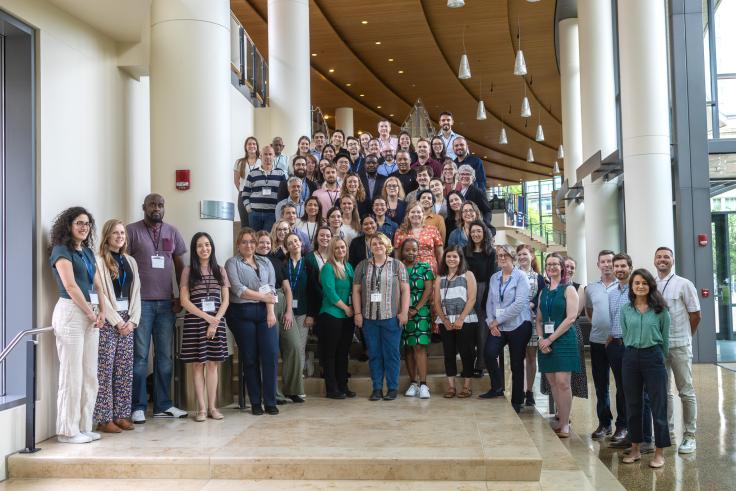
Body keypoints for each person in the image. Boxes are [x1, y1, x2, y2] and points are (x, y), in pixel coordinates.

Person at [127, 194, 187, 423]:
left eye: (160, 205)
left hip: (166, 304)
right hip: (141, 304)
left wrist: (180, 297)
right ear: (144, 207)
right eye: (152, 204)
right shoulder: (131, 231)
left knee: (165, 357)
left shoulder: (172, 232)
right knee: (140, 357)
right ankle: (138, 406)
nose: (157, 208)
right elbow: (122, 265)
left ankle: (163, 405)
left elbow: (181, 267)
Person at [50, 207, 106, 443]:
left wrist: (102, 310)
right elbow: (71, 287)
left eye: (87, 223)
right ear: (69, 226)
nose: (84, 227)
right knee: (71, 375)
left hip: (91, 315)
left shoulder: (89, 252)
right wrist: (90, 313)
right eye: (79, 223)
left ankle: (84, 425)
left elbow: (98, 284)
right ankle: (67, 431)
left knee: (90, 375)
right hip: (71, 314)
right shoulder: (61, 251)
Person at [224, 228, 280, 415]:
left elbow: (271, 288)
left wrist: (270, 311)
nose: (248, 245)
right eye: (244, 242)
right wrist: (264, 299)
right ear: (238, 245)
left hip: (266, 313)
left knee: (271, 355)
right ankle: (255, 402)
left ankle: (270, 401)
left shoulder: (265, 262)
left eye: (251, 242)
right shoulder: (232, 263)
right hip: (242, 313)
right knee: (249, 357)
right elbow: (239, 290)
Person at [620, 268, 672, 468]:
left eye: (644, 283)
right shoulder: (626, 309)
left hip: (654, 356)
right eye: (636, 283)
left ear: (650, 285)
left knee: (658, 405)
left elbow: (665, 339)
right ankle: (635, 449)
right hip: (631, 357)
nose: (640, 286)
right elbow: (625, 335)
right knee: (633, 405)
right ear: (632, 287)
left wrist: (659, 358)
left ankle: (659, 452)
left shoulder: (660, 310)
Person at [93, 219, 140, 433]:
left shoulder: (130, 261)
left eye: (122, 233)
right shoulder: (99, 261)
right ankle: (104, 418)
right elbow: (100, 294)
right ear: (107, 236)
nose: (120, 236)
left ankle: (121, 414)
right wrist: (117, 321)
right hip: (108, 320)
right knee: (106, 369)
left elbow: (137, 293)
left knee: (124, 370)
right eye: (115, 233)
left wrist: (132, 321)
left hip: (127, 321)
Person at [654, 246, 701, 454]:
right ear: (654, 261)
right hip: (658, 346)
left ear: (672, 260)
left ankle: (690, 436)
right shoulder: (651, 285)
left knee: (686, 391)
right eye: (659, 257)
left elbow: (695, 314)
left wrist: (686, 336)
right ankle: (668, 433)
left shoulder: (684, 284)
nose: (662, 260)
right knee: (663, 392)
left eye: (666, 256)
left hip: (680, 344)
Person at [353, 234, 410, 401]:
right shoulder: (362, 266)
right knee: (374, 354)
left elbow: (405, 290)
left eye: (381, 243)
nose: (377, 245)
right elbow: (356, 291)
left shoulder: (397, 266)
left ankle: (392, 388)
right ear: (370, 247)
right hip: (369, 318)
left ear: (387, 245)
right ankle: (376, 388)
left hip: (391, 317)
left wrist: (404, 312)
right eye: (374, 243)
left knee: (391, 354)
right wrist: (357, 313)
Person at [179, 232, 229, 422]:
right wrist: (208, 318)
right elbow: (184, 301)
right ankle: (200, 409)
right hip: (195, 323)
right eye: (200, 245)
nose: (204, 248)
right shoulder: (188, 270)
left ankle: (212, 408)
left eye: (207, 244)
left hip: (216, 323)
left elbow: (225, 301)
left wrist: (215, 321)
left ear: (212, 247)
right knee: (198, 366)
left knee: (213, 365)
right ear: (195, 249)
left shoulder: (221, 270)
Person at [481, 245, 531, 412]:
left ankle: (517, 400)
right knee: (488, 353)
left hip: (519, 325)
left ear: (512, 257)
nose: (502, 258)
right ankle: (497, 388)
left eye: (505, 255)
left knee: (516, 364)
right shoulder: (494, 277)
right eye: (499, 255)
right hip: (498, 326)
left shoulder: (521, 276)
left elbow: (519, 304)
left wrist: (498, 320)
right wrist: (490, 322)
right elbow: (489, 302)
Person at [536, 253, 580, 436]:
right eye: (548, 264)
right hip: (545, 343)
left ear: (562, 268)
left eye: (555, 264)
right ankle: (560, 420)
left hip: (563, 340)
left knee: (563, 383)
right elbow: (538, 320)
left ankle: (566, 425)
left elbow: (571, 318)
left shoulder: (568, 289)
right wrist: (540, 339)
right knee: (553, 384)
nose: (552, 267)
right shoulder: (543, 291)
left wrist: (550, 339)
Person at [434, 246, 478, 399]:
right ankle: (451, 386)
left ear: (460, 259)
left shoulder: (468, 275)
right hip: (446, 321)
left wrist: (460, 319)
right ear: (444, 259)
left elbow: (472, 298)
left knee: (467, 353)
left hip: (465, 319)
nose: (451, 259)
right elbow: (437, 302)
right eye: (448, 256)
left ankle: (467, 386)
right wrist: (445, 320)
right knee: (449, 353)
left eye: (455, 257)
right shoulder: (440, 277)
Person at [585, 250, 619, 439]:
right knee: (600, 385)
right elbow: (589, 311)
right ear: (598, 265)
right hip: (597, 342)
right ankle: (604, 424)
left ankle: (623, 425)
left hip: (618, 342)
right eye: (603, 262)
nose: (607, 264)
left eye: (610, 261)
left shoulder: (623, 286)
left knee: (622, 386)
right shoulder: (591, 288)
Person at [318, 237, 356, 399]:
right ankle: (332, 389)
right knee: (330, 353)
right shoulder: (328, 267)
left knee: (343, 352)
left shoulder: (348, 267)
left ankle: (343, 386)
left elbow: (353, 290)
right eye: (337, 248)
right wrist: (346, 308)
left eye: (343, 247)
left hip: (347, 316)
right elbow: (330, 293)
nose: (340, 250)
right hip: (331, 315)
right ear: (332, 250)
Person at [399, 238, 435, 399]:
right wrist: (403, 310)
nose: (411, 252)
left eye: (414, 249)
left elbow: (428, 290)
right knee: (407, 347)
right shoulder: (398, 267)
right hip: (402, 313)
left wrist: (416, 308)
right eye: (407, 250)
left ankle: (424, 384)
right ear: (402, 251)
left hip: (420, 312)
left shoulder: (425, 267)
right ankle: (413, 383)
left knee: (419, 347)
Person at [279, 232, 310, 403]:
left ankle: (298, 386)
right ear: (286, 247)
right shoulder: (283, 265)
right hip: (287, 311)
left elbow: (314, 288)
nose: (294, 244)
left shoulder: (308, 263)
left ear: (301, 243)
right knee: (292, 347)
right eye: (290, 243)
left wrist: (312, 314)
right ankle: (292, 384)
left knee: (300, 348)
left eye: (296, 241)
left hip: (304, 311)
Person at [464, 221, 497, 377]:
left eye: (479, 231)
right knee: (469, 329)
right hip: (467, 289)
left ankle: (481, 364)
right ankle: (468, 364)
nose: (476, 234)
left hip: (485, 289)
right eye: (473, 231)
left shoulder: (491, 252)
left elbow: (492, 275)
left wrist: (486, 297)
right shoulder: (465, 251)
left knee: (482, 329)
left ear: (484, 233)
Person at [516, 245, 545, 407]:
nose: (522, 257)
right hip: (515, 321)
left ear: (532, 256)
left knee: (531, 358)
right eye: (519, 254)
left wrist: (533, 304)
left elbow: (541, 296)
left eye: (525, 254)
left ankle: (529, 391)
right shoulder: (512, 275)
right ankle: (518, 390)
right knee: (517, 358)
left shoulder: (538, 278)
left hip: (532, 321)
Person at [242, 145, 287, 232]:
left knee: (268, 242)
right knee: (255, 241)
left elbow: (284, 194)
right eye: (265, 154)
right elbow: (245, 193)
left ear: (274, 156)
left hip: (272, 214)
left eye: (270, 154)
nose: (268, 157)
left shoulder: (280, 174)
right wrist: (249, 209)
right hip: (254, 214)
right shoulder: (253, 173)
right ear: (260, 156)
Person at [393, 202, 444, 274]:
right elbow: (397, 255)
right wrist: (399, 272)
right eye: (413, 212)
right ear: (408, 215)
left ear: (423, 214)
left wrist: (441, 273)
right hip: (409, 271)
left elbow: (440, 254)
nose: (416, 214)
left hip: (430, 270)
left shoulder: (433, 230)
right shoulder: (400, 232)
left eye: (418, 212)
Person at [305, 226, 333, 342]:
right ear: (316, 238)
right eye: (321, 235)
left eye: (328, 236)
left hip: (334, 305)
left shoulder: (336, 257)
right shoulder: (309, 258)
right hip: (318, 306)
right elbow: (309, 288)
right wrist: (310, 313)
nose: (325, 238)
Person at [233, 136, 261, 226]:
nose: (252, 146)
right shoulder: (239, 162)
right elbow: (236, 181)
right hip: (243, 195)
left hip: (258, 196)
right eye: (249, 144)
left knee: (256, 224)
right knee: (245, 223)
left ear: (257, 146)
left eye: (254, 144)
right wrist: (244, 192)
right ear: (245, 147)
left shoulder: (261, 161)